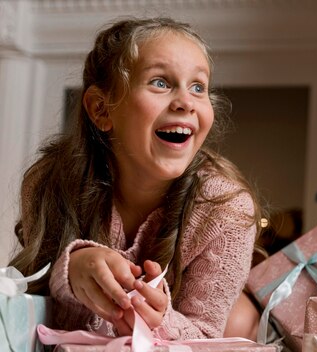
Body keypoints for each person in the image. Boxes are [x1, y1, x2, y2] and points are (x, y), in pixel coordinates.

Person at [9, 17, 263, 340]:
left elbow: (206, 340)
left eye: (198, 87)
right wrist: (70, 271)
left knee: (241, 318)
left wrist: (161, 322)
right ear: (101, 110)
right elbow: (27, 318)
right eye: (160, 82)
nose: (186, 102)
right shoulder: (50, 185)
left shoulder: (226, 209)